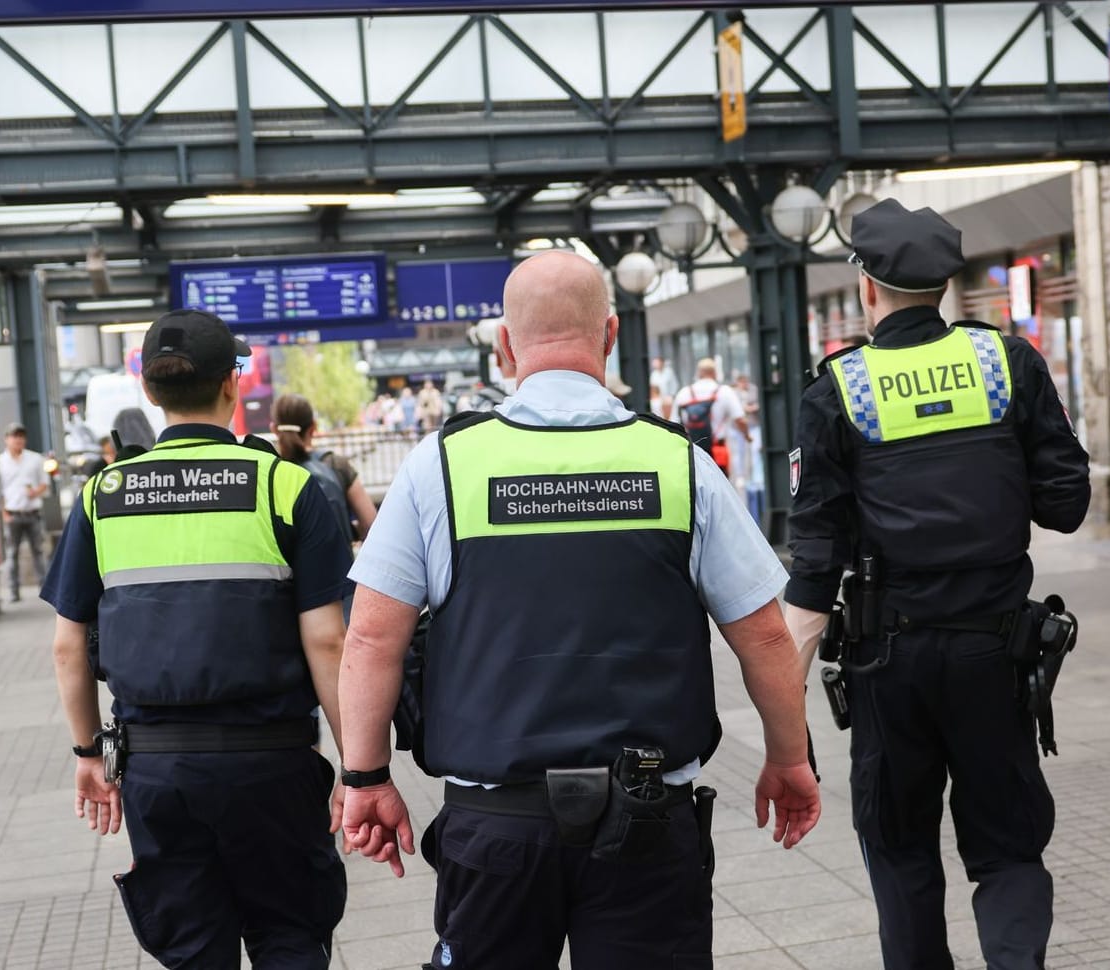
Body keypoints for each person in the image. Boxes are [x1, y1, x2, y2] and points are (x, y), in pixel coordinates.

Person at [336, 250, 820, 970]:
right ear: (611, 334)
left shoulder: (440, 466)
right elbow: (764, 637)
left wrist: (366, 779)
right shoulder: (677, 463)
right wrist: (788, 757)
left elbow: (370, 639)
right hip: (648, 824)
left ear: (504, 344)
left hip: (494, 827)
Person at [783, 197, 1090, 970]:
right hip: (995, 652)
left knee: (899, 848)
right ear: (947, 285)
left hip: (889, 662)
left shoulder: (836, 391)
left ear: (865, 285)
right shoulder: (1007, 363)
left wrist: (783, 721)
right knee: (1008, 845)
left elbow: (814, 567)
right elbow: (1066, 504)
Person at [39, 309, 354, 969]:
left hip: (158, 770)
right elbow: (328, 642)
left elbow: (68, 645)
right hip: (272, 765)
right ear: (232, 384)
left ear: (149, 393)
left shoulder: (103, 494)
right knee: (289, 934)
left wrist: (88, 753)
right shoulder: (283, 486)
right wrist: (361, 767)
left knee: (192, 948)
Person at [271, 392, 377, 543]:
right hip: (340, 565)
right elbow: (371, 525)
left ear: (274, 429)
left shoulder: (270, 472)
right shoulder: (337, 465)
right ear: (313, 427)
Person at [0, 422, 49, 604]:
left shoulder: (35, 459)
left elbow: (45, 483)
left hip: (33, 512)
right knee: (12, 554)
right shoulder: (0, 462)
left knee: (39, 552)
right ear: (6, 439)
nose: (18, 439)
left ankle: (44, 589)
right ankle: (13, 591)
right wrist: (3, 513)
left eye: (21, 436)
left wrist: (36, 492)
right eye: (14, 436)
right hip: (12, 513)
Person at [672, 358, 747, 474]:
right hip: (717, 450)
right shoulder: (724, 391)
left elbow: (673, 423)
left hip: (691, 452)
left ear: (698, 373)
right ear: (715, 372)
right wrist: (747, 436)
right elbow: (740, 419)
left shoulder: (684, 393)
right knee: (720, 487)